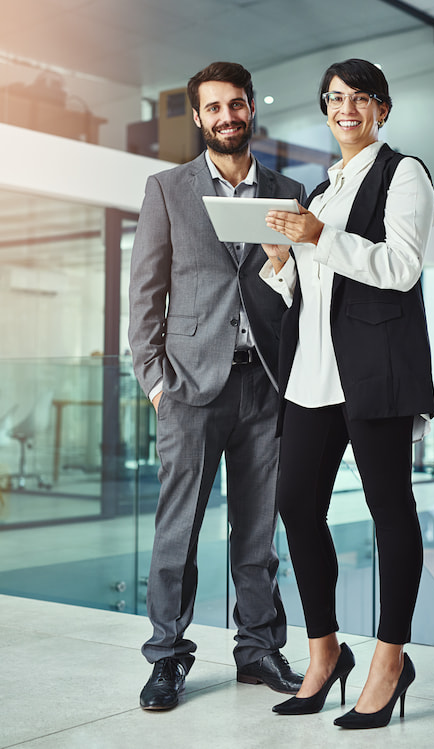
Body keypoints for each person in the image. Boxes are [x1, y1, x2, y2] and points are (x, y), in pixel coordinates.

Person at [259, 58, 434, 729]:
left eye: (361, 98)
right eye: (335, 98)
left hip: (373, 373)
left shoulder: (403, 173)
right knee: (296, 505)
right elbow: (313, 291)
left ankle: (390, 661)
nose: (347, 109)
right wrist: (283, 263)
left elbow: (400, 266)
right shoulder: (321, 187)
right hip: (313, 374)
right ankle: (325, 652)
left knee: (391, 509)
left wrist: (319, 236)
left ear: (382, 110)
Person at [128, 61, 306, 711]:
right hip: (189, 389)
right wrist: (154, 383)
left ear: (251, 108)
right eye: (214, 108)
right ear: (199, 118)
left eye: (237, 104)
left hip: (266, 388)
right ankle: (168, 656)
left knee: (258, 533)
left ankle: (257, 648)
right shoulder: (168, 189)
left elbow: (302, 296)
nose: (227, 116)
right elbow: (145, 297)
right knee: (177, 530)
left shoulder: (287, 191)